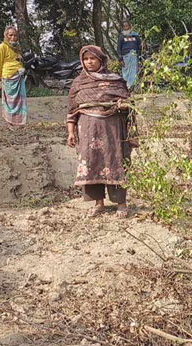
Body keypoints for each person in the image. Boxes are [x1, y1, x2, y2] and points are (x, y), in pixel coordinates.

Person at [66, 45, 132, 218]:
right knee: (92, 163)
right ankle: (99, 203)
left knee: (115, 161)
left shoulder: (115, 81)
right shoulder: (78, 83)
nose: (89, 62)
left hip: (112, 129)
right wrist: (71, 132)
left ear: (101, 60)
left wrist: (123, 105)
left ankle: (121, 204)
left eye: (93, 58)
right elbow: (72, 111)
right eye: (86, 59)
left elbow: (129, 104)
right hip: (87, 129)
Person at [0, 25, 27, 128]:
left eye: (15, 35)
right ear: (6, 35)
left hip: (19, 76)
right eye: (10, 35)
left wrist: (21, 67)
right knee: (9, 102)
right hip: (8, 77)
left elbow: (19, 59)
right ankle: (9, 122)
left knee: (20, 101)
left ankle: (19, 122)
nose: (13, 37)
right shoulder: (2, 47)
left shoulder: (17, 48)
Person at [117, 20, 141, 89]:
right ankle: (127, 87)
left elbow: (139, 46)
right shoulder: (121, 36)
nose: (125, 27)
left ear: (129, 26)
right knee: (126, 72)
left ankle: (133, 86)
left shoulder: (135, 35)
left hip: (134, 55)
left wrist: (139, 56)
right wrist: (120, 59)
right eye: (124, 26)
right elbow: (119, 48)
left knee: (134, 70)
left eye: (126, 26)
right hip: (125, 57)